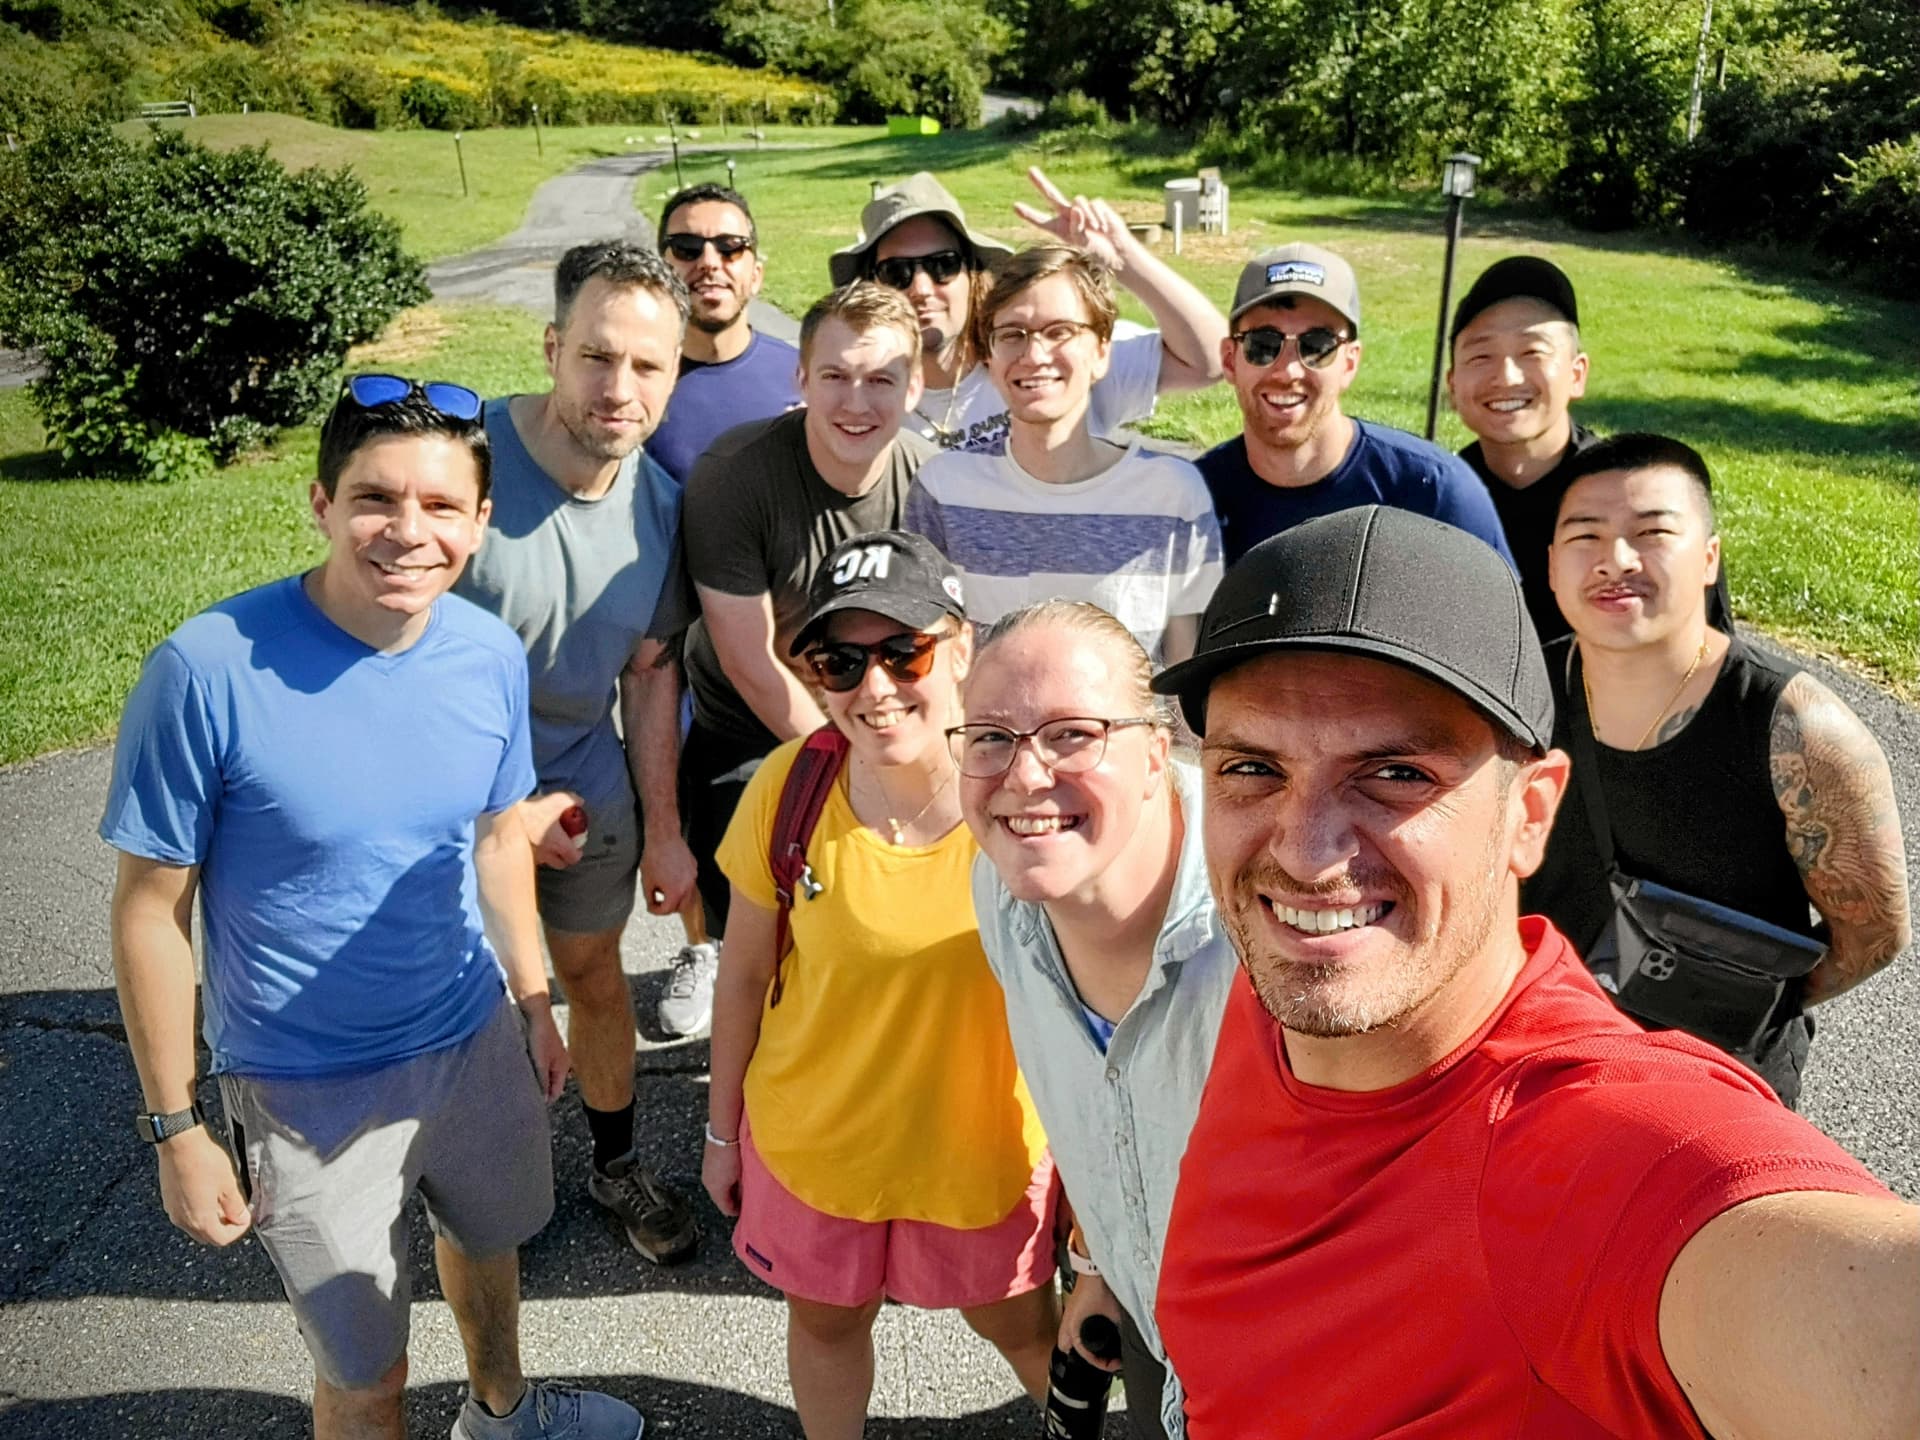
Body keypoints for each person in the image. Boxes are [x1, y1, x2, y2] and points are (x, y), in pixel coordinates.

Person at [1148, 504, 1918, 1438]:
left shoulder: (1589, 1151)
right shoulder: (1293, 980)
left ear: (1531, 813)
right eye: (1251, 768)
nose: (1307, 857)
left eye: (1396, 773)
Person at [100, 378, 642, 1440]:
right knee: (367, 1377)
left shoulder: (485, 654)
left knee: (490, 1245)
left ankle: (502, 1412)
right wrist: (176, 1129)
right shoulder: (206, 672)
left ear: (482, 522)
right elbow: (148, 913)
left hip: (470, 1037)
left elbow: (494, 838)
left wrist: (532, 998)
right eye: (375, 499)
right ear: (318, 502)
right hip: (306, 1087)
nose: (408, 532)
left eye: (442, 507)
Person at [703, 530, 1057, 1439]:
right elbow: (742, 975)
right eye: (840, 661)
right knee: (826, 1322)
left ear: (964, 644)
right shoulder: (789, 786)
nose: (876, 687)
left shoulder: (1029, 799)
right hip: (815, 1145)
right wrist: (720, 1133)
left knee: (1021, 1327)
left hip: (981, 1152)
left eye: (906, 651)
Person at [1523, 432, 1910, 1106]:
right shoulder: (1518, 689)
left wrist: (1735, 1003)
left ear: (1708, 559)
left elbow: (1873, 932)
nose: (1616, 560)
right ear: (1553, 565)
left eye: (1651, 533)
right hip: (1545, 1059)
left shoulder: (1799, 731)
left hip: (1716, 1088)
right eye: (1586, 536)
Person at [454, 240, 700, 1264]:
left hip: (582, 784)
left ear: (676, 374)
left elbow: (648, 677)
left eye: (647, 366)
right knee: (473, 999)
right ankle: (481, 1190)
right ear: (553, 349)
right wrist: (500, 819)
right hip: (451, 791)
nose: (619, 386)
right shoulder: (457, 460)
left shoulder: (662, 509)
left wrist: (664, 833)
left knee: (594, 977)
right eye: (597, 357)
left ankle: (612, 1162)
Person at [958, 600, 1238, 1440]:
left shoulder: (1268, 926)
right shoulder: (1000, 892)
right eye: (990, 738)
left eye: (1072, 734)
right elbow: (1099, 1104)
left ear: (1156, 752)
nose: (1026, 775)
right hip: (1153, 1327)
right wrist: (1101, 1263)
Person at [678, 283, 934, 939]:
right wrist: (847, 772)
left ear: (914, 387)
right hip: (750, 729)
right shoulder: (734, 473)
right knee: (754, 931)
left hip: (882, 718)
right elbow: (751, 660)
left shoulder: (934, 482)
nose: (856, 401)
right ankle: (714, 955)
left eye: (882, 379)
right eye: (835, 376)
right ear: (801, 377)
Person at [906, 246, 1222, 664]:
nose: (1034, 355)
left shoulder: (1172, 495)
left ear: (1102, 352)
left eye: (1060, 332)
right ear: (990, 355)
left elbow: (1188, 673)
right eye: (1013, 335)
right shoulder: (943, 489)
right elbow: (931, 656)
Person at [830, 168, 1226, 454]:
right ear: (872, 286)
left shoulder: (1044, 361)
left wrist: (1124, 259)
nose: (921, 289)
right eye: (896, 272)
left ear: (972, 274)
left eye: (943, 265)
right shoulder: (860, 401)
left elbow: (1210, 360)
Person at [1196, 243, 1514, 567]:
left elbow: (1502, 617)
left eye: (1317, 346)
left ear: (1349, 363)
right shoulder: (1191, 500)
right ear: (1230, 360)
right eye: (1262, 344)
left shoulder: (1434, 495)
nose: (1288, 370)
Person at [647, 183, 801, 486]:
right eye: (686, 248)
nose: (708, 263)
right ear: (661, 273)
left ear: (756, 276)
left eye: (730, 247)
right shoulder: (631, 385)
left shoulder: (806, 377)